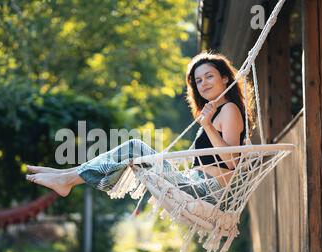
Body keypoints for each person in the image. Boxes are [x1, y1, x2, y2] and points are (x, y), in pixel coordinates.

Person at [26, 52, 255, 207]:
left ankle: (66, 178)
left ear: (225, 78)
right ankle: (66, 176)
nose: (203, 83)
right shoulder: (214, 112)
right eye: (198, 80)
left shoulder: (230, 110)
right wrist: (206, 123)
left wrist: (207, 127)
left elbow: (232, 161)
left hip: (205, 191)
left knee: (134, 147)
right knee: (132, 151)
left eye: (209, 77)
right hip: (193, 183)